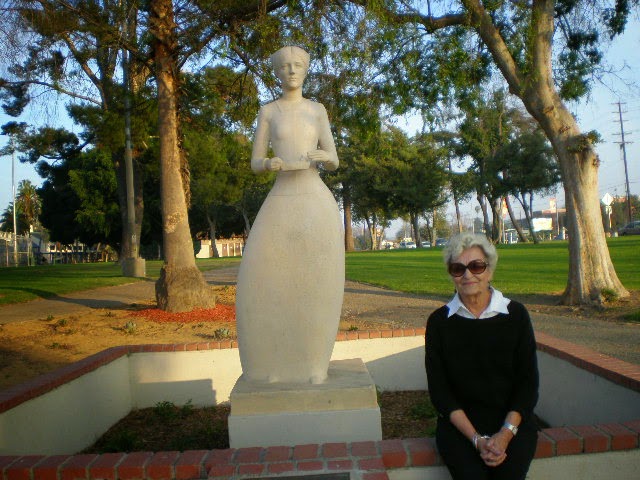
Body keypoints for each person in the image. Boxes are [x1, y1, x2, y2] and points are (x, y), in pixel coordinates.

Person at [235, 46, 344, 384]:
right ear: (277, 72)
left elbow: (334, 158)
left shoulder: (317, 110)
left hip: (315, 198)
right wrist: (269, 163)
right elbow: (255, 161)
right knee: (266, 276)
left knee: (317, 283)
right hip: (281, 196)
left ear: (306, 70)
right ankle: (268, 364)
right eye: (285, 66)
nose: (292, 71)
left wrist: (321, 156)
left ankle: (314, 365)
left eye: (298, 65)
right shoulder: (269, 111)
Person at [425, 232, 539, 479]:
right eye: (458, 268)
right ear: (451, 274)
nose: (468, 275)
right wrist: (476, 439)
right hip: (461, 429)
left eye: (476, 266)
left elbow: (527, 383)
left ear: (489, 270)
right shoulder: (438, 323)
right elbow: (440, 391)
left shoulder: (516, 315)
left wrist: (505, 434)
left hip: (512, 424)